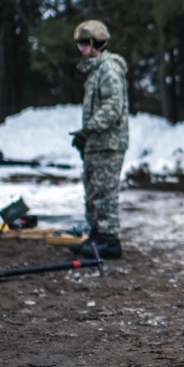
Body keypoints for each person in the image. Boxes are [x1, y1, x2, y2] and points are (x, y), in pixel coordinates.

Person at [68, 20, 129, 260]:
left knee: (105, 192)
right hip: (96, 144)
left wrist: (88, 130)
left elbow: (113, 107)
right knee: (92, 190)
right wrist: (86, 138)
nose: (81, 48)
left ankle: (110, 241)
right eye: (79, 44)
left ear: (96, 43)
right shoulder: (95, 71)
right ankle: (97, 235)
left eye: (84, 43)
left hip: (109, 143)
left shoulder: (108, 69)